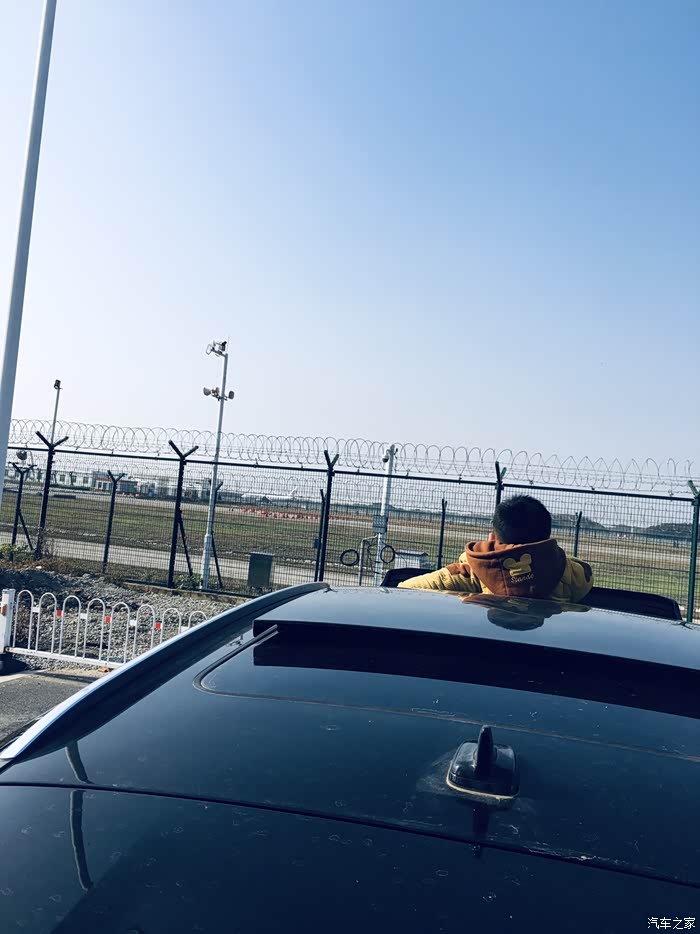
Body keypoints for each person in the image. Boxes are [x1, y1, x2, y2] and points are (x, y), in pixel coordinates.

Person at [398, 495, 593, 602]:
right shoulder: (571, 574)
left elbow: (405, 590)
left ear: (493, 538)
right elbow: (584, 571)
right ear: (547, 538)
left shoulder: (472, 572)